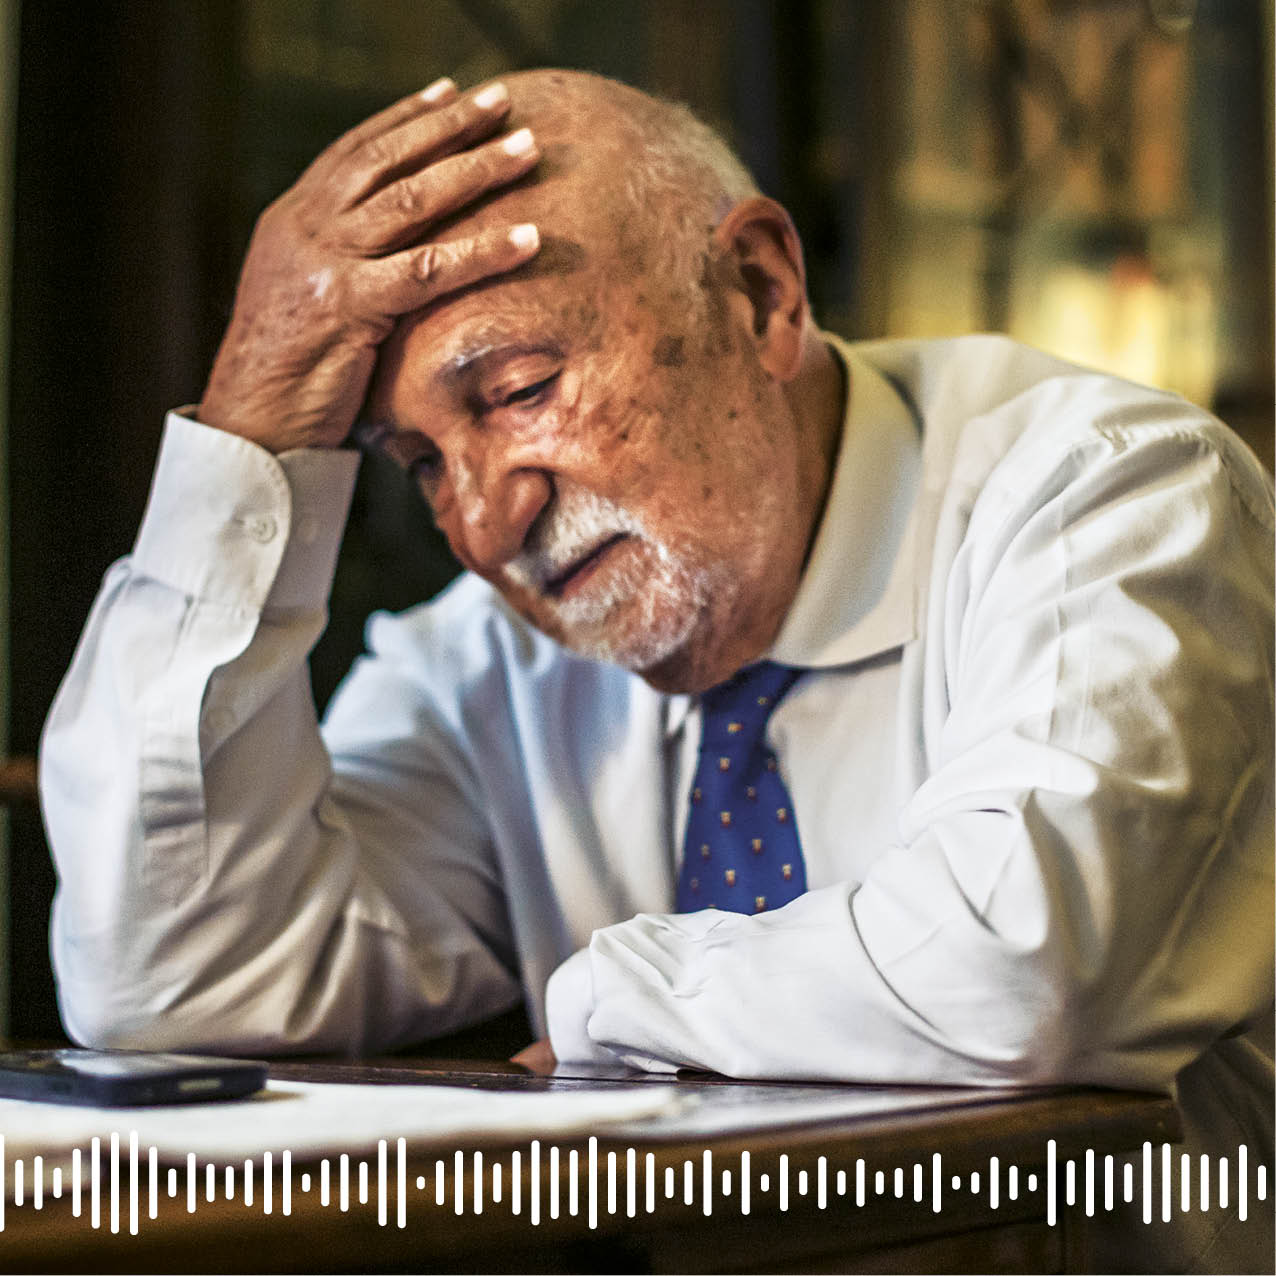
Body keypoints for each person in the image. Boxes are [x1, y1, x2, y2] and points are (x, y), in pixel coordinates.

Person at [40, 69, 1272, 1268]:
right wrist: (249, 442)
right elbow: (170, 985)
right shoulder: (488, 662)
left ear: (759, 293)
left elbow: (1025, 970)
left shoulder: (1106, 494)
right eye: (419, 464)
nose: (484, 524)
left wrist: (609, 994)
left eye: (520, 389)